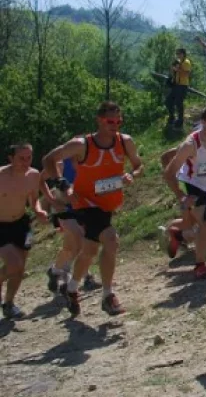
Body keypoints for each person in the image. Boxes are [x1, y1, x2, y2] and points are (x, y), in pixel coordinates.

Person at [42, 101, 145, 316]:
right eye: (110, 121)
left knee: (89, 250)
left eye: (119, 121)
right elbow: (48, 159)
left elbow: (138, 164)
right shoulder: (82, 144)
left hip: (108, 201)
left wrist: (131, 175)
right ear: (99, 120)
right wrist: (63, 185)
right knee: (110, 239)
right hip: (85, 201)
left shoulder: (125, 142)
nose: (115, 125)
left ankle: (71, 288)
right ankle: (108, 295)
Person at [159, 106, 206, 279]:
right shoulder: (191, 144)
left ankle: (178, 234)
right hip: (194, 186)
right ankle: (200, 266)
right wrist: (181, 196)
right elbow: (168, 173)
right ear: (204, 123)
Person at [0, 143, 46, 319]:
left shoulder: (33, 175)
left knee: (19, 269)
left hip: (21, 224)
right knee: (15, 264)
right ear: (11, 158)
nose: (26, 162)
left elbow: (34, 200)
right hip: (1, 226)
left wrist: (39, 210)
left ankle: (9, 303)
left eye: (29, 158)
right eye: (21, 158)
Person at [42, 158, 97, 294]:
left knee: (70, 247)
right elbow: (39, 179)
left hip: (84, 208)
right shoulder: (60, 164)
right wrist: (52, 201)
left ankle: (55, 270)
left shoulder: (93, 160)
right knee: (79, 241)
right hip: (65, 209)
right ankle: (86, 277)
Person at [166, 48, 192, 128]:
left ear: (184, 54)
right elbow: (174, 72)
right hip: (176, 85)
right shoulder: (178, 62)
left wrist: (177, 69)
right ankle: (172, 116)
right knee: (168, 101)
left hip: (183, 85)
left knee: (178, 103)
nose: (178, 55)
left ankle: (180, 120)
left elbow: (187, 73)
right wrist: (172, 69)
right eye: (177, 54)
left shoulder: (186, 62)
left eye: (179, 53)